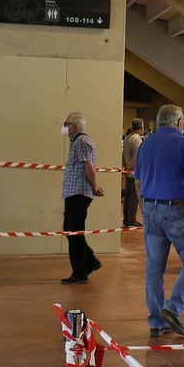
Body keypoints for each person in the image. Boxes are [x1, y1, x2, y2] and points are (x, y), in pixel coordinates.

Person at [137, 104, 184, 336]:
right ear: (179, 122)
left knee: (154, 267)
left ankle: (155, 322)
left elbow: (137, 181)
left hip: (151, 208)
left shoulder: (146, 144)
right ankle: (173, 307)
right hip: (178, 210)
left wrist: (145, 208)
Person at [59, 112, 105, 283]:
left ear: (74, 127)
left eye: (66, 123)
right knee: (72, 231)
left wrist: (95, 187)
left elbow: (89, 167)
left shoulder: (81, 141)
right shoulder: (78, 141)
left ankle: (80, 272)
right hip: (75, 192)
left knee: (73, 232)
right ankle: (90, 262)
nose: (63, 127)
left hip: (78, 193)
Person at [122, 119, 144, 227]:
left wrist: (124, 169)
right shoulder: (137, 140)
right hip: (134, 173)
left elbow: (123, 155)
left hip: (128, 171)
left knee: (127, 197)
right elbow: (136, 158)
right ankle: (131, 220)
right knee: (134, 198)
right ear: (141, 127)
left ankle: (126, 220)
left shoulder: (127, 138)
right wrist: (128, 169)